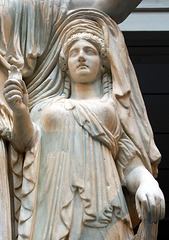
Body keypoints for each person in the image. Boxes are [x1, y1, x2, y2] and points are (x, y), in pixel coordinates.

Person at [4, 9, 165, 240]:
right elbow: (25, 144)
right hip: (52, 208)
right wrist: (19, 108)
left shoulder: (112, 109)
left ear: (102, 64)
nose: (81, 56)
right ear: (65, 65)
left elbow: (129, 163)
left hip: (104, 207)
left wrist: (147, 182)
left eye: (89, 51)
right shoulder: (46, 107)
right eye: (74, 52)